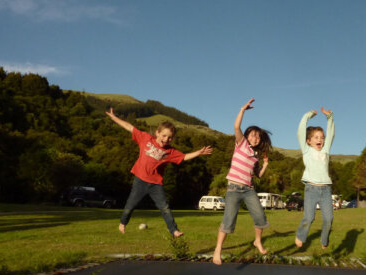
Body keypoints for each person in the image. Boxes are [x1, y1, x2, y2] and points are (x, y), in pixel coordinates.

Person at [105, 107, 212, 237]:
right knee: (130, 205)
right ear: (157, 133)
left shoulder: (170, 152)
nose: (166, 139)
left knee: (164, 207)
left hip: (156, 184)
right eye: (164, 135)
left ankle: (174, 230)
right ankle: (123, 223)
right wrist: (114, 117)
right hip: (140, 180)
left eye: (170, 137)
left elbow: (184, 157)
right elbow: (129, 127)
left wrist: (199, 153)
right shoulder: (145, 138)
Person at [212, 98, 272, 265]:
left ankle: (257, 241)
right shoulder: (241, 144)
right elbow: (236, 127)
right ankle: (218, 250)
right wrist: (242, 109)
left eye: (258, 137)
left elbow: (258, 175)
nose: (255, 138)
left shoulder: (255, 156)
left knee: (260, 217)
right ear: (247, 136)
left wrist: (265, 164)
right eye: (253, 135)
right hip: (233, 189)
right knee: (228, 221)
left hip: (249, 190)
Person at [294, 107, 335, 249]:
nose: (320, 140)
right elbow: (300, 131)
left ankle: (324, 240)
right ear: (308, 141)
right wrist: (307, 116)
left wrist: (329, 118)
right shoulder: (306, 150)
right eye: (316, 138)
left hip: (326, 190)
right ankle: (300, 235)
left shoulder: (325, 150)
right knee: (309, 217)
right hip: (311, 189)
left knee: (329, 219)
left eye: (322, 138)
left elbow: (331, 134)